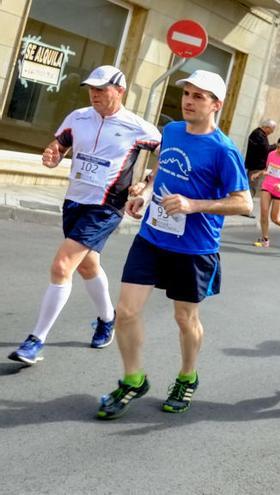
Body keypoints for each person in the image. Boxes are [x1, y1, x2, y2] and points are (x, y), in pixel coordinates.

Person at [95, 70, 251, 419]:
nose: (189, 101)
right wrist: (146, 194)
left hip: (195, 247)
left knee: (185, 317)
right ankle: (134, 379)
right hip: (152, 237)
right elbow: (162, 168)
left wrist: (194, 205)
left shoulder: (224, 151)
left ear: (216, 105)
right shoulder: (172, 130)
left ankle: (187, 375)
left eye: (198, 96)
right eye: (187, 94)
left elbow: (244, 203)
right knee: (126, 311)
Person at [8, 66, 161, 365]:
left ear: (120, 91)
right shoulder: (77, 117)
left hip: (106, 206)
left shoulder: (138, 127)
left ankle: (35, 340)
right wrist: (51, 155)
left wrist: (147, 185)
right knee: (88, 267)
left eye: (102, 89)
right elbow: (59, 146)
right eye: (92, 88)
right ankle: (107, 319)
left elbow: (166, 155)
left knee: (62, 264)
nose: (94, 94)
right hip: (74, 202)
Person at [244, 119, 276, 217]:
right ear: (267, 128)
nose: (270, 133)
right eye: (271, 131)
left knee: (250, 186)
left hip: (253, 165)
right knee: (252, 187)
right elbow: (265, 150)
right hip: (256, 166)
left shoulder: (257, 133)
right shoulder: (259, 135)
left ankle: (244, 207)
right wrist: (275, 146)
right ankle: (245, 210)